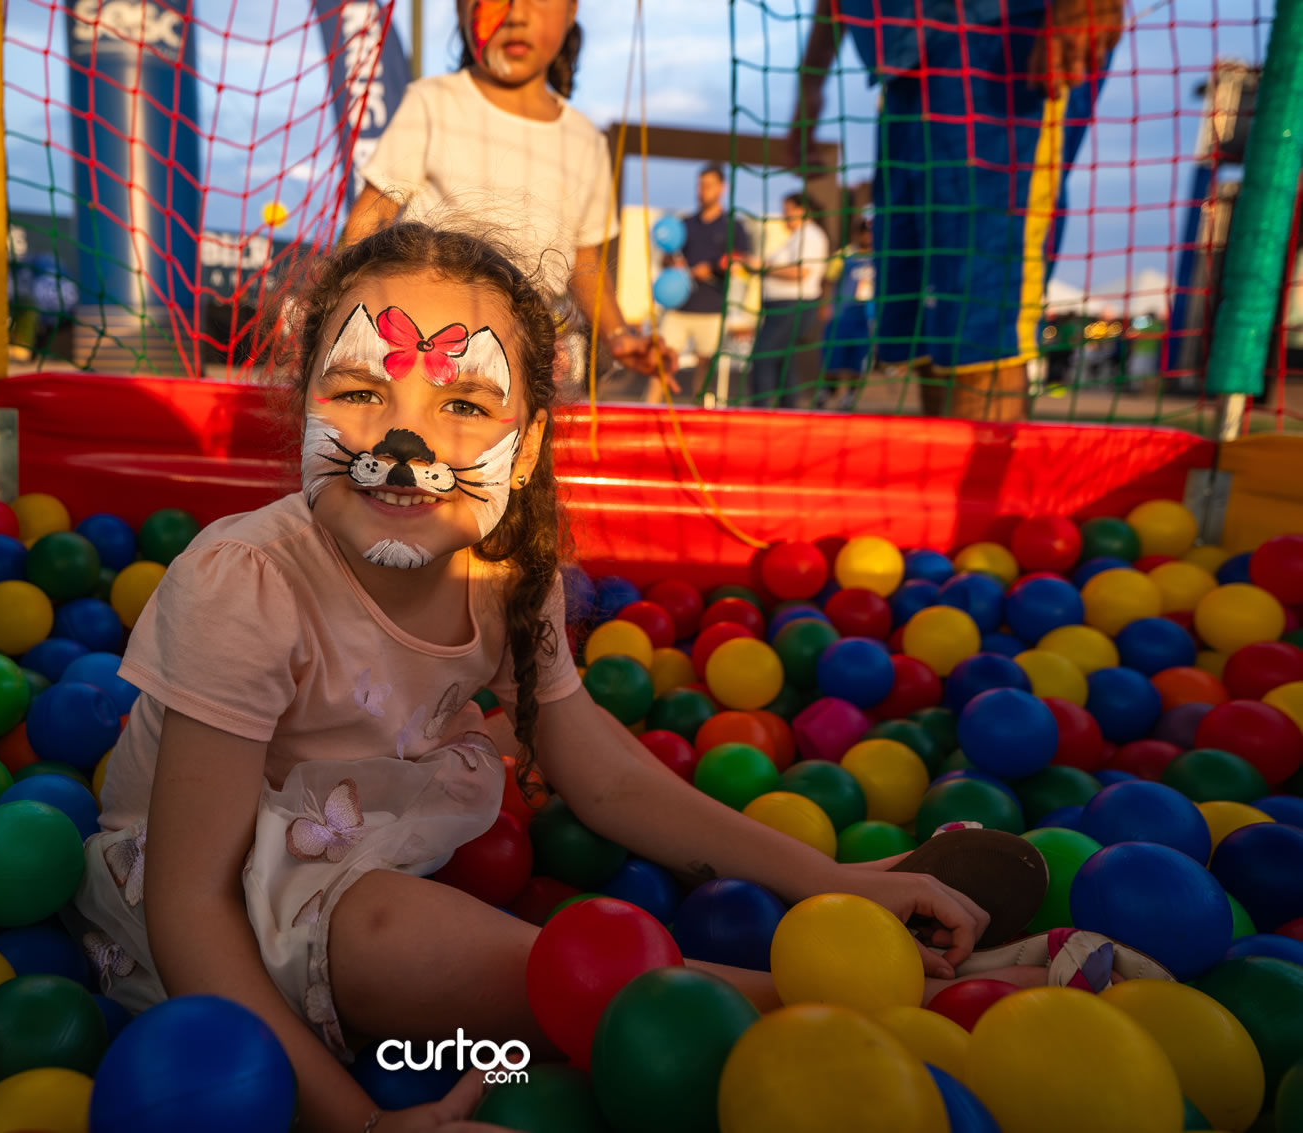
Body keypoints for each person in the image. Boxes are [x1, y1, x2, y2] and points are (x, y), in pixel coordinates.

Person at [67, 221, 1076, 1133]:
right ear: (303, 407)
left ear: (527, 447)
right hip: (210, 927)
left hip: (358, 836)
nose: (404, 442)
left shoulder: (502, 575)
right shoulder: (244, 584)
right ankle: (871, 1001)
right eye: (363, 392)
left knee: (457, 897)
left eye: (464, 403)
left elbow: (609, 778)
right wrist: (359, 1119)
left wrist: (837, 880)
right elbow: (189, 906)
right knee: (393, 932)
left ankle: (839, 958)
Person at [788, 0, 1122, 420]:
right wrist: (810, 81)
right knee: (927, 326)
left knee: (983, 326)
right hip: (901, 58)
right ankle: (949, 462)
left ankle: (984, 462)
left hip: (1002, 35)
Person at [342, 0, 675, 397]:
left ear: (570, 12)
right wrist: (343, 308)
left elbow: (584, 261)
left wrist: (619, 336)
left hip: (524, 360)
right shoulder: (434, 101)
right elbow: (372, 216)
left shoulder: (585, 140)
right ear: (462, 11)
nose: (516, 16)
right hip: (424, 346)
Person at [657, 163, 752, 399]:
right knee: (660, 362)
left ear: (722, 188)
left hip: (712, 309)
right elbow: (666, 258)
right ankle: (649, 408)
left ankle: (699, 410)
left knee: (705, 368)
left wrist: (712, 269)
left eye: (708, 185)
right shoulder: (685, 223)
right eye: (700, 185)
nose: (702, 190)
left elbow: (742, 263)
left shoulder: (733, 226)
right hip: (679, 307)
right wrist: (671, 262)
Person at [746, 193, 828, 408]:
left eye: (789, 209)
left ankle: (761, 409)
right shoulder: (797, 236)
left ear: (804, 210)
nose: (784, 214)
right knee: (784, 361)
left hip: (793, 307)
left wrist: (763, 266)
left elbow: (801, 271)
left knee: (763, 355)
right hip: (783, 307)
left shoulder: (810, 235)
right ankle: (787, 410)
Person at [817, 217, 875, 410]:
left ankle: (850, 395)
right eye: (864, 232)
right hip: (840, 315)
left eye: (871, 232)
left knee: (858, 359)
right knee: (832, 357)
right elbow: (828, 280)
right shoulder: (844, 255)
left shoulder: (882, 256)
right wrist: (825, 304)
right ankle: (828, 390)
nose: (867, 236)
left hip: (866, 317)